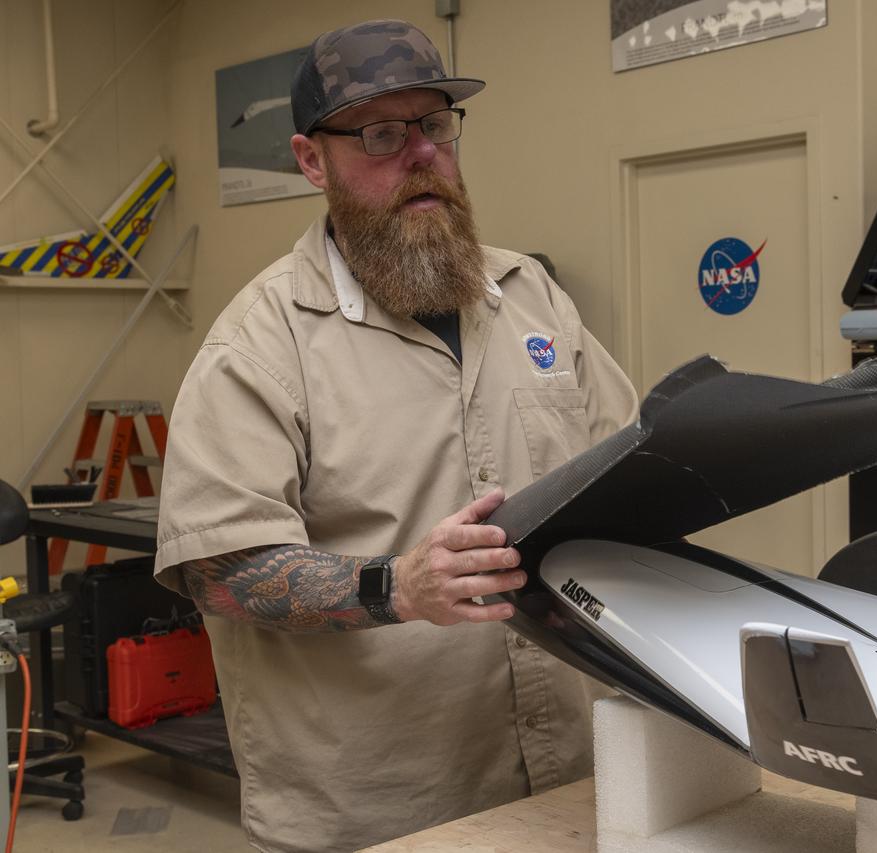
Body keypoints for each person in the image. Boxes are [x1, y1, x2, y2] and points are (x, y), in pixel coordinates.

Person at [155, 19, 638, 853]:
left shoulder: (532, 299)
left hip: (571, 778)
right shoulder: (260, 346)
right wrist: (398, 586)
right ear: (313, 161)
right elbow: (221, 569)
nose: (421, 155)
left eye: (436, 125)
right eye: (381, 133)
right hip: (381, 809)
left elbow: (628, 467)